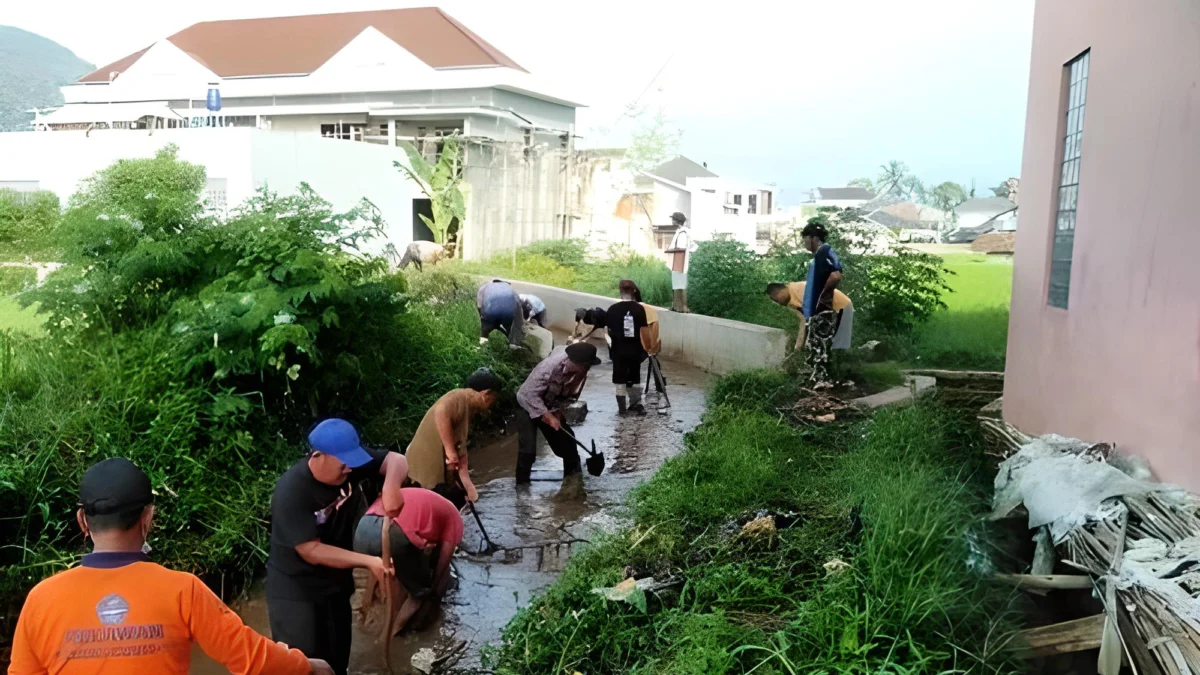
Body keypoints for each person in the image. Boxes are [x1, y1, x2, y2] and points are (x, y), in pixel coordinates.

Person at [8, 457, 333, 675]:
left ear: (82, 520)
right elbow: (250, 658)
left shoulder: (41, 599)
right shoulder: (182, 589)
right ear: (148, 517)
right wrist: (307, 665)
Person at [266, 418, 409, 675]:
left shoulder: (351, 465)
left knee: (337, 661)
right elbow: (311, 550)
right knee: (301, 665)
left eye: (351, 460)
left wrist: (391, 487)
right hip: (295, 591)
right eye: (342, 461)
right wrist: (368, 561)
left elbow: (396, 460)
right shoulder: (292, 492)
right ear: (318, 456)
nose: (348, 468)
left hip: (335, 585)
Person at [352, 488, 463, 637]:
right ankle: (392, 635)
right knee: (420, 592)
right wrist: (431, 596)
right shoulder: (455, 517)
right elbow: (443, 566)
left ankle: (366, 609)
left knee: (390, 568)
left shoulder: (425, 499)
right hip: (394, 531)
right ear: (462, 508)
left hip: (363, 529)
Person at [403, 369, 504, 508]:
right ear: (485, 394)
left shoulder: (467, 407)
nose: (490, 406)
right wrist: (450, 452)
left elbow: (460, 448)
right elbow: (441, 410)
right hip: (425, 468)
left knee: (458, 502)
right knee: (438, 507)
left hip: (433, 468)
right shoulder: (459, 397)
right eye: (492, 401)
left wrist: (469, 487)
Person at [514, 342, 602, 484]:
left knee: (568, 442)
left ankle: (573, 481)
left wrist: (558, 412)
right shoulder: (548, 369)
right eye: (585, 366)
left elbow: (568, 395)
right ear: (575, 363)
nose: (587, 369)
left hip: (549, 403)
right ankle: (522, 490)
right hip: (526, 403)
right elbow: (528, 395)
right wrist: (548, 416)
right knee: (528, 450)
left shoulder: (579, 372)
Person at [780, 219, 844, 387]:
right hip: (816, 310)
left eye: (805, 239)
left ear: (814, 238)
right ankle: (817, 381)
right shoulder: (820, 255)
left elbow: (836, 275)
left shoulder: (824, 252)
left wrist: (823, 296)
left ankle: (822, 384)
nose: (805, 243)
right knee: (816, 347)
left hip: (822, 310)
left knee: (820, 348)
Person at [766, 281, 853, 354]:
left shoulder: (798, 289)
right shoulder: (791, 301)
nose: (779, 303)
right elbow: (802, 321)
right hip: (829, 311)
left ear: (780, 292)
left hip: (841, 307)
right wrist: (798, 345)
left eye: (777, 300)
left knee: (831, 343)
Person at [606, 280, 651, 415]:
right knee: (634, 377)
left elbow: (608, 331)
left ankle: (621, 409)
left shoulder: (612, 309)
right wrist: (646, 350)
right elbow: (644, 331)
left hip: (618, 350)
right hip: (635, 350)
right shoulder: (639, 309)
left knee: (619, 378)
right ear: (633, 292)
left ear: (620, 292)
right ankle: (635, 404)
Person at [664, 212, 697, 313]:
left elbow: (681, 247)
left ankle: (681, 307)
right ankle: (676, 306)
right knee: (677, 283)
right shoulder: (682, 231)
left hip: (680, 259)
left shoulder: (683, 232)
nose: (672, 220)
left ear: (677, 220)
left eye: (673, 218)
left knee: (680, 283)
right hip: (679, 258)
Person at [476, 279, 524, 347]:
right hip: (509, 313)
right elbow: (518, 305)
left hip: (490, 312)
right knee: (510, 330)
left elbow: (479, 306)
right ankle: (512, 346)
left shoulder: (484, 287)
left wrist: (483, 318)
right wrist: (519, 324)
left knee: (485, 330)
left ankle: (483, 346)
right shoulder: (510, 288)